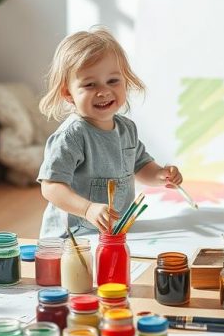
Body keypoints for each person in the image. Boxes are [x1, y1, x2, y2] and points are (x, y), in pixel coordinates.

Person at [38, 28, 183, 237]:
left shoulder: (127, 129)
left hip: (115, 233)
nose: (104, 91)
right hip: (74, 238)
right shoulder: (71, 137)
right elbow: (51, 187)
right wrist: (87, 209)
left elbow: (141, 165)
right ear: (68, 93)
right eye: (90, 84)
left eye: (113, 81)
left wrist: (161, 175)